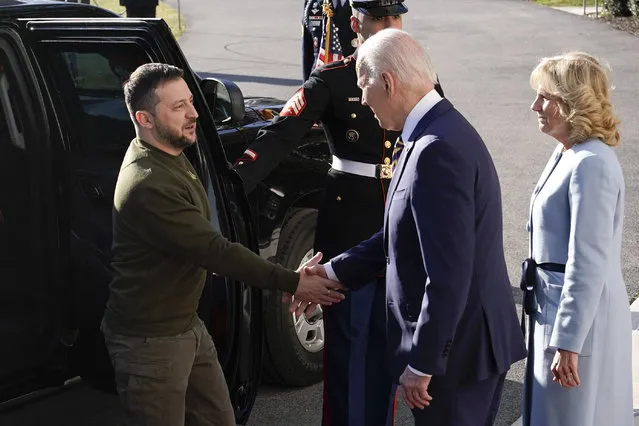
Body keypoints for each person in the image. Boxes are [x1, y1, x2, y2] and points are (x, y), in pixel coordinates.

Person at [294, 28, 527, 425]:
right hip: (461, 346)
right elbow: (400, 237)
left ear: (387, 82)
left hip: (457, 356)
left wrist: (423, 362)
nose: (363, 100)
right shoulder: (433, 131)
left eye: (364, 87)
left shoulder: (436, 148)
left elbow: (448, 273)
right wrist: (331, 272)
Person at [101, 63, 344, 426]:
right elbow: (215, 251)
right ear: (145, 118)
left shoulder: (169, 154)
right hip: (151, 344)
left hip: (185, 327)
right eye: (178, 106)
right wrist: (294, 282)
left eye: (191, 101)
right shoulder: (149, 184)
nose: (194, 113)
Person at [236, 2, 432, 425]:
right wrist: (233, 186)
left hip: (400, 228)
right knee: (346, 351)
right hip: (348, 231)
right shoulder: (332, 78)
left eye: (394, 18)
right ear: (354, 22)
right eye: (378, 19)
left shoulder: (417, 73)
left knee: (391, 348)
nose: (388, 27)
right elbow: (280, 134)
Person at [523, 52, 633, 426]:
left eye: (545, 97)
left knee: (570, 417)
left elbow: (588, 260)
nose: (534, 105)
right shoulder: (567, 152)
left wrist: (569, 339)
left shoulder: (591, 163)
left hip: (575, 320)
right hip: (553, 307)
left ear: (572, 103)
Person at [302, 0, 357, 80]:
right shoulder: (313, 3)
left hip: (355, 80)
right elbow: (308, 51)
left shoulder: (366, 3)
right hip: (320, 81)